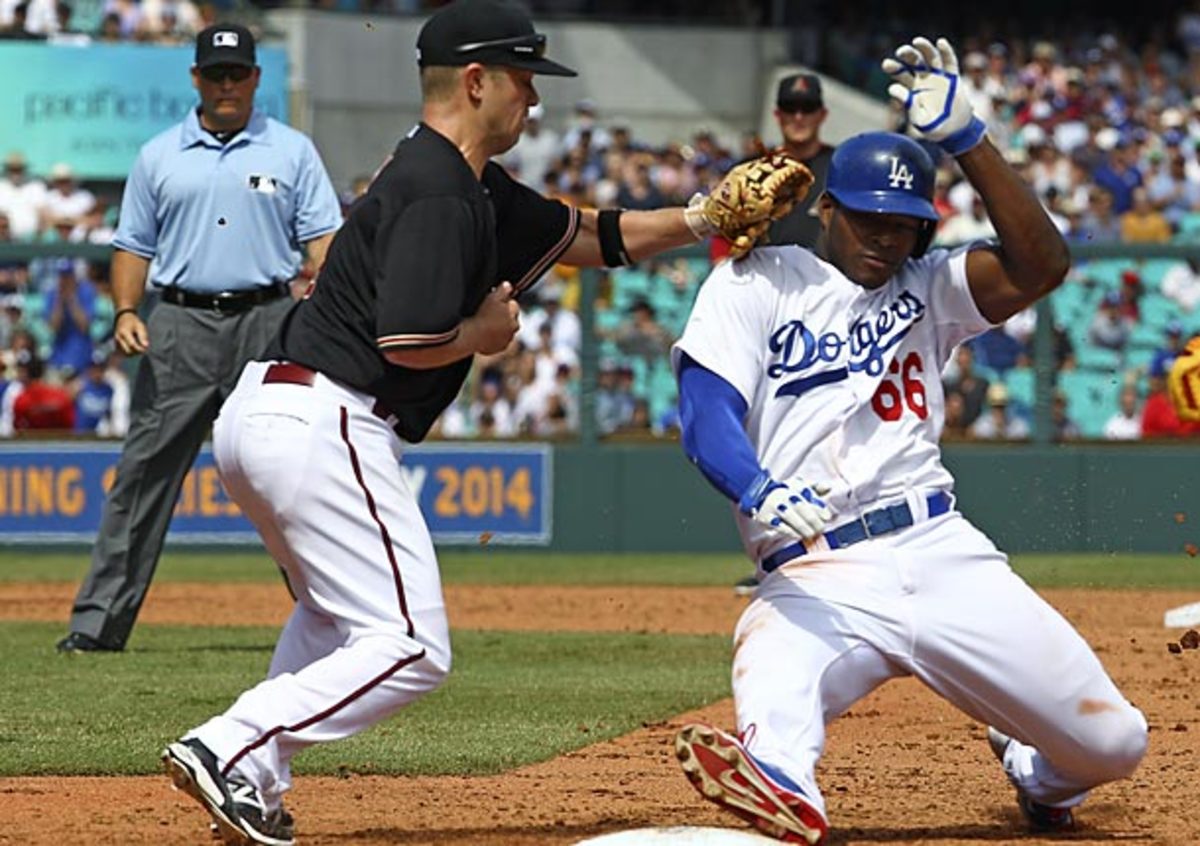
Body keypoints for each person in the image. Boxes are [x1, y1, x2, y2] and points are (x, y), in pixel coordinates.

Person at [156, 3, 805, 845]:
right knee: (412, 644)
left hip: (276, 411)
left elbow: (589, 235)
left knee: (330, 617)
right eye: (523, 80)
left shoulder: (466, 182)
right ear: (475, 81)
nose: (533, 98)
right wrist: (484, 336)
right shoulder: (437, 191)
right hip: (328, 416)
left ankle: (250, 776)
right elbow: (407, 339)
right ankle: (228, 745)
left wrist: (703, 219)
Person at [670, 37, 1147, 845]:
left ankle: (1036, 773)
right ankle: (783, 786)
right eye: (869, 216)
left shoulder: (930, 287)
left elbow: (1043, 265)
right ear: (828, 208)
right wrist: (756, 486)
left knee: (1115, 743)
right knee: (778, 700)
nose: (886, 237)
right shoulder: (758, 280)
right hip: (813, 572)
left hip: (937, 549)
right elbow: (704, 410)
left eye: (904, 224)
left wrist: (969, 140)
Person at [55, 22, 343, 655]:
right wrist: (126, 310)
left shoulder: (292, 151)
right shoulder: (159, 155)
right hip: (178, 322)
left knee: (291, 476)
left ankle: (332, 621)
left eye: (237, 73)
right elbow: (133, 245)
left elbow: (324, 239)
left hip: (268, 320)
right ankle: (98, 625)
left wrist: (328, 294)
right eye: (216, 74)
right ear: (196, 78)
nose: (227, 84)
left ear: (256, 78)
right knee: (143, 475)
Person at [733, 72, 835, 595]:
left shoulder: (840, 167)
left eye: (807, 108)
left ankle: (831, 556)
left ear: (821, 114)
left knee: (826, 436)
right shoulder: (759, 173)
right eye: (790, 109)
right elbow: (727, 246)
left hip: (832, 312)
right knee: (768, 438)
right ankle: (777, 559)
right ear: (777, 115)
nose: (798, 116)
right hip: (771, 315)